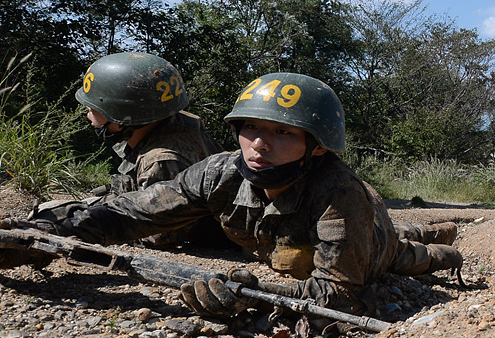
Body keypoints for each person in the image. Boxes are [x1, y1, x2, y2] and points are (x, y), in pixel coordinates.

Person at [12, 72, 462, 320]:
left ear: (317, 145)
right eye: (251, 128)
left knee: (415, 256)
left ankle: (441, 242)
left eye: (282, 133)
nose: (259, 144)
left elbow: (340, 297)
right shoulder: (221, 173)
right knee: (301, 255)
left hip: (371, 246)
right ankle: (425, 229)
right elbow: (131, 213)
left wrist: (252, 294)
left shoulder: (340, 195)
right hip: (286, 247)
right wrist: (46, 228)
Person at [46, 52, 224, 248]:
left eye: (93, 108)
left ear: (122, 114)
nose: (88, 112)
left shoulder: (161, 160)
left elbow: (161, 233)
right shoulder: (170, 121)